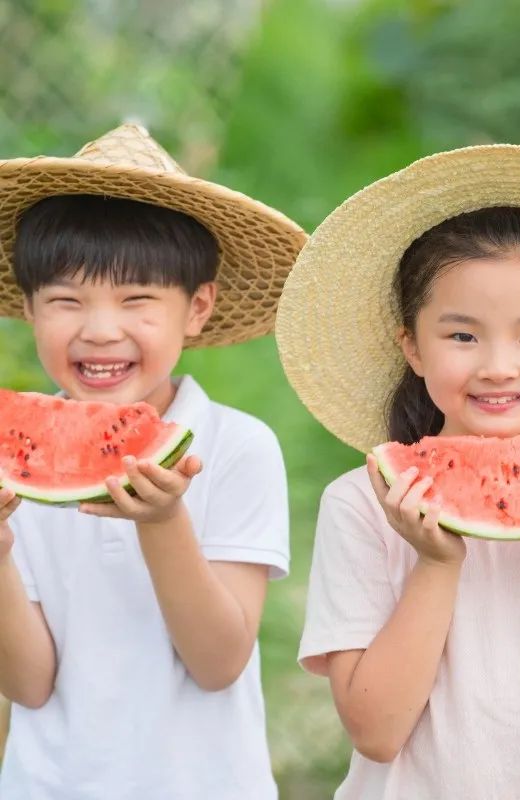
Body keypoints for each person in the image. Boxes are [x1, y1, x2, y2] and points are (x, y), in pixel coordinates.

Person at [275, 144, 520, 799]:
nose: (497, 365)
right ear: (412, 347)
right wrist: (436, 564)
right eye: (461, 335)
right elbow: (375, 732)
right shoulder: (361, 504)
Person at [0, 123, 307, 800]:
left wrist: (164, 522)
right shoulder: (11, 463)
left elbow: (219, 662)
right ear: (28, 309)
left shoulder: (236, 447)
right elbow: (28, 683)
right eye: (66, 301)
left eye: (137, 300)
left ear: (196, 309)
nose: (101, 328)